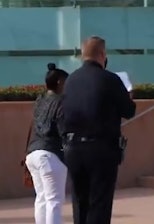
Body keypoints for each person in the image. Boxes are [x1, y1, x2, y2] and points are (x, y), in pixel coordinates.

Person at [62, 36, 136, 224]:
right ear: (102, 54)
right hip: (101, 150)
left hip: (73, 149)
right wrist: (129, 95)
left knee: (80, 203)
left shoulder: (70, 80)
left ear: (82, 55)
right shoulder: (110, 79)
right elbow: (129, 110)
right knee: (99, 204)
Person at [25, 63, 69, 224]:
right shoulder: (62, 102)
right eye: (66, 82)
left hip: (33, 154)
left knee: (42, 198)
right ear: (59, 82)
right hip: (50, 155)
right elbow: (63, 129)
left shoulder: (40, 100)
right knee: (54, 201)